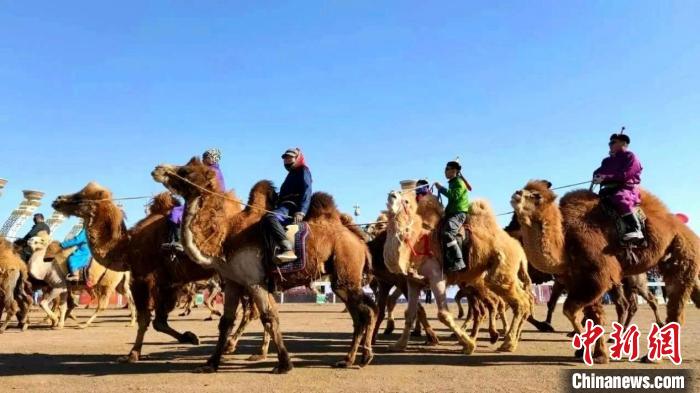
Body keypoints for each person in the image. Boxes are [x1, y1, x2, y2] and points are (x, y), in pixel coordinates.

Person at [163, 148, 226, 250]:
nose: (203, 159)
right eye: (204, 157)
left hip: (207, 202)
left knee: (176, 212)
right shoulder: (215, 171)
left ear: (211, 158)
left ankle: (179, 241)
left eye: (205, 157)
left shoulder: (211, 172)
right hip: (208, 200)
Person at [262, 148, 312, 263]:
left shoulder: (303, 170)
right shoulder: (291, 175)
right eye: (285, 158)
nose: (287, 160)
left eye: (290, 157)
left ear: (298, 158)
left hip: (291, 207)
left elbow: (307, 190)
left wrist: (301, 211)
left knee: (271, 218)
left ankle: (287, 249)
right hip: (283, 206)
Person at [592, 131, 644, 241]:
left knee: (620, 198)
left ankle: (636, 229)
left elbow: (627, 174)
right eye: (609, 143)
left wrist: (606, 177)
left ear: (623, 143)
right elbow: (598, 171)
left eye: (612, 142)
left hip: (626, 188)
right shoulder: (606, 161)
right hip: (607, 190)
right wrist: (596, 176)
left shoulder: (630, 156)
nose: (610, 145)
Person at [433, 160, 472, 273]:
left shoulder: (459, 182)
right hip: (451, 213)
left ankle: (458, 261)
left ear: (454, 170)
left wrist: (441, 188)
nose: (445, 171)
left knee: (448, 233)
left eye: (447, 169)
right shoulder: (453, 182)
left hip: (459, 213)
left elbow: (453, 196)